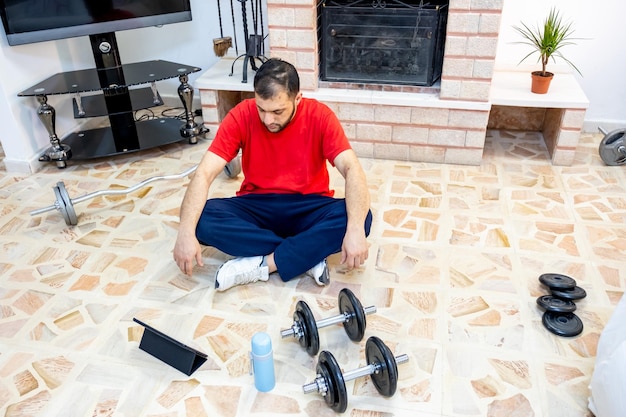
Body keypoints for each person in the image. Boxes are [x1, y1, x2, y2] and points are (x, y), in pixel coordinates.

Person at [173, 58, 372, 291]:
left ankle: (264, 264)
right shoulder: (241, 115)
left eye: (278, 111)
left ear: (298, 98)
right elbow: (204, 173)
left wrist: (356, 230)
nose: (268, 120)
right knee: (201, 218)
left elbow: (351, 168)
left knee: (360, 218)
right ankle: (306, 255)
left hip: (307, 205)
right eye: (261, 109)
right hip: (257, 205)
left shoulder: (320, 116)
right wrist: (185, 231)